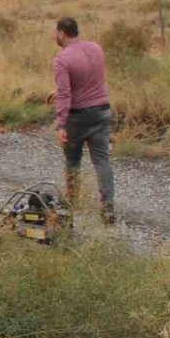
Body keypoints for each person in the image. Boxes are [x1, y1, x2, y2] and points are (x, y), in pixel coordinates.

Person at [51, 17, 115, 224]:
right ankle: (108, 208)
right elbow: (90, 78)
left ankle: (70, 205)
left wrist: (61, 124)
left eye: (55, 32)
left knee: (72, 161)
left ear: (62, 33)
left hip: (77, 117)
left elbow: (65, 94)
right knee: (102, 161)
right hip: (102, 112)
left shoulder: (62, 59)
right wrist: (59, 91)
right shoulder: (96, 48)